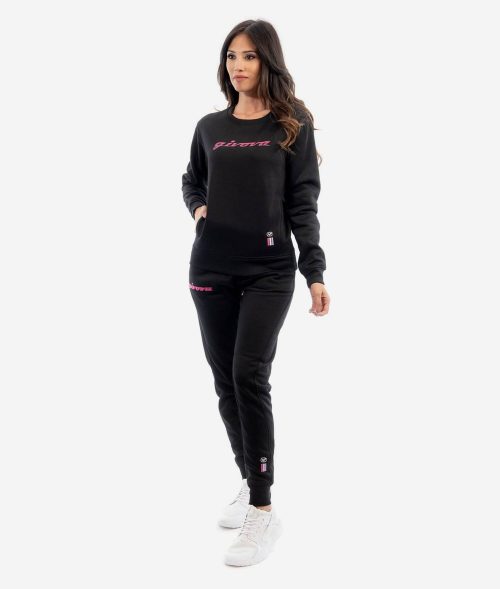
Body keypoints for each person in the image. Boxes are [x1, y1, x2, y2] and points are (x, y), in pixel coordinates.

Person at [182, 19, 331, 566]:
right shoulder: (209, 126)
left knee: (249, 374)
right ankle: (249, 477)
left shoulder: (292, 125)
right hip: (210, 268)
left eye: (249, 56)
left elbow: (302, 202)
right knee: (226, 380)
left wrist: (314, 271)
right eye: (231, 56)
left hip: (269, 270)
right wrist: (201, 210)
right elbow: (191, 179)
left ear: (268, 61)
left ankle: (263, 510)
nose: (238, 66)